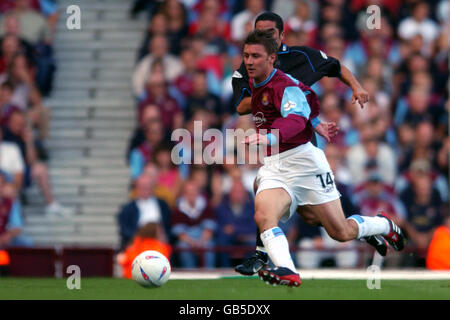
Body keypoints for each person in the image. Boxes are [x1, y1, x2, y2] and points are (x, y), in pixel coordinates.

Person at [239, 30, 405, 286]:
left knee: (340, 231)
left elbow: (294, 120)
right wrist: (315, 122)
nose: (249, 61)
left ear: (272, 58)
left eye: (255, 56)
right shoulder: (257, 81)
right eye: (246, 55)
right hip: (275, 165)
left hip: (304, 162)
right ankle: (287, 270)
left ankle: (382, 225)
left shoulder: (282, 85)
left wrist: (270, 137)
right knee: (263, 216)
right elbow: (306, 96)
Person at [233, 11, 368, 276]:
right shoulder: (249, 67)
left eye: (270, 32)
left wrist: (357, 87)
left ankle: (375, 228)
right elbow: (240, 106)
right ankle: (277, 264)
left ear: (281, 36)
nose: (264, 37)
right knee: (262, 190)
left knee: (337, 230)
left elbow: (335, 68)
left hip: (300, 147)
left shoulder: (302, 58)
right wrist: (272, 93)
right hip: (276, 151)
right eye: (259, 31)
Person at [118, 168, 172, 251]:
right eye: (142, 187)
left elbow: (168, 225)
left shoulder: (162, 205)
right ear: (137, 188)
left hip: (159, 242)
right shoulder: (128, 209)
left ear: (153, 188)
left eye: (147, 187)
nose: (145, 190)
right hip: (138, 244)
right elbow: (125, 230)